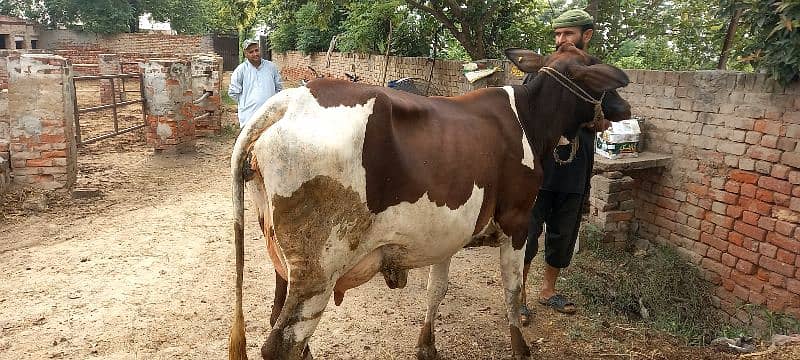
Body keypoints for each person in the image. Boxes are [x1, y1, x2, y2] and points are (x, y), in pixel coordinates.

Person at [519, 9, 606, 324]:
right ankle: (521, 296)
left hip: (576, 168)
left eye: (567, 34)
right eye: (557, 34)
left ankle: (548, 290)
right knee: (527, 233)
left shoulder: (596, 73)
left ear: (587, 35)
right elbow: (523, 112)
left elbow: (606, 117)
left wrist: (595, 120)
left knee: (563, 232)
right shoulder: (541, 69)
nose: (560, 40)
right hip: (539, 169)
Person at [228, 38, 283, 128]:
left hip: (269, 114)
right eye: (251, 52)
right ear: (245, 54)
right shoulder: (241, 70)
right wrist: (246, 102)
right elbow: (233, 93)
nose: (255, 54)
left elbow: (279, 88)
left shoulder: (271, 67)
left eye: (256, 50)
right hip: (249, 117)